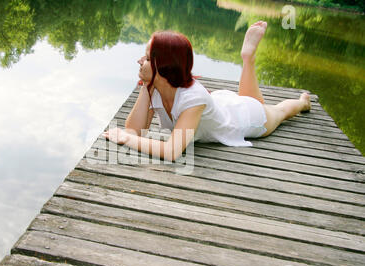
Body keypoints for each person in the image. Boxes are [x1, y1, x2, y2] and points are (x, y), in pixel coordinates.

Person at [102, 21, 311, 161]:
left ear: (164, 67)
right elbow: (135, 130)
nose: (139, 61)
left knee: (277, 111)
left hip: (247, 118)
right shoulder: (156, 87)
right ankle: (248, 59)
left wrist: (126, 139)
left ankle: (302, 102)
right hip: (222, 104)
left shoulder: (193, 98)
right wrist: (145, 88)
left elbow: (172, 151)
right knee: (249, 98)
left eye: (147, 58)